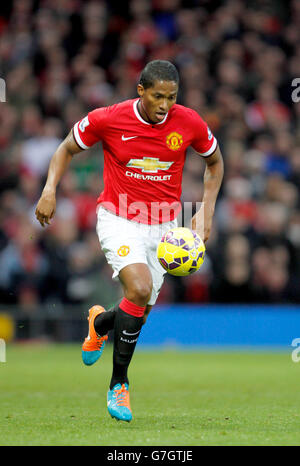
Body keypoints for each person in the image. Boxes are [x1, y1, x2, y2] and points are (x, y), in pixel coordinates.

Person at [35, 60, 224, 422]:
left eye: (171, 97)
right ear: (141, 91)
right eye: (158, 96)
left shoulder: (190, 122)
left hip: (166, 228)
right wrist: (49, 189)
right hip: (118, 216)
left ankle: (100, 324)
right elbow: (65, 149)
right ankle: (118, 385)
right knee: (139, 289)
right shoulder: (108, 118)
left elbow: (214, 162)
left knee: (139, 312)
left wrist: (206, 211)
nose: (165, 105)